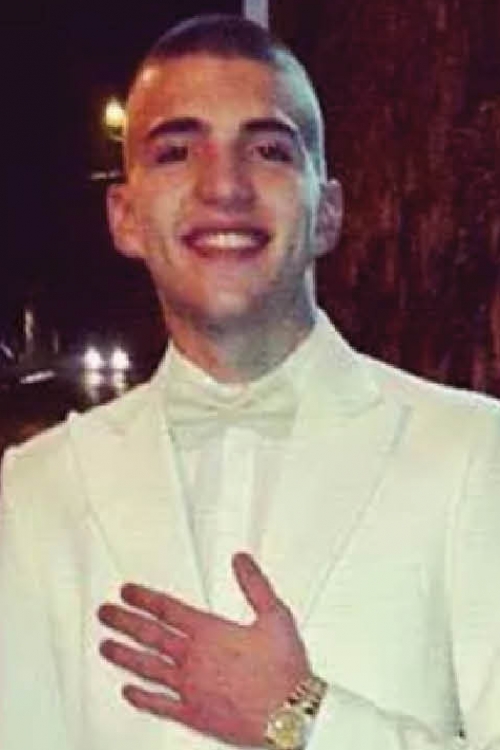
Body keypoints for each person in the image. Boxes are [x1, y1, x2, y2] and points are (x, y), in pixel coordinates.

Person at [1, 13, 500, 750]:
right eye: (176, 151)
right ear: (126, 216)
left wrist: (301, 718)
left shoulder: (474, 450)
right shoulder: (35, 489)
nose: (224, 185)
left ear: (327, 211)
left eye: (267, 149)